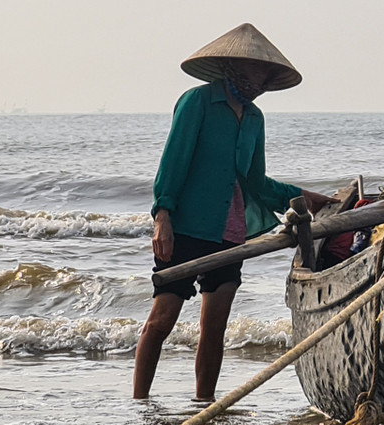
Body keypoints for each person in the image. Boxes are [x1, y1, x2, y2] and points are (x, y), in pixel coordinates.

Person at [133, 23, 336, 401]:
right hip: (188, 227)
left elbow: (254, 181)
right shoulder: (197, 102)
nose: (260, 84)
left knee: (215, 328)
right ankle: (139, 405)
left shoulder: (255, 118)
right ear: (235, 69)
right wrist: (162, 217)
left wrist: (303, 196)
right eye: (257, 75)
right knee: (162, 320)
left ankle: (203, 407)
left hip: (229, 233)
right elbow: (173, 163)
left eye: (266, 79)